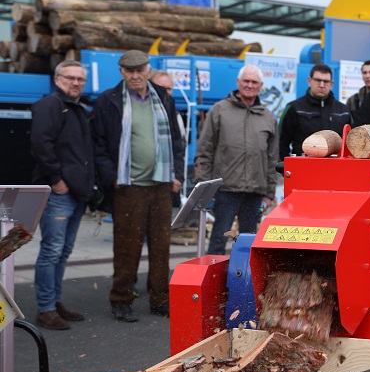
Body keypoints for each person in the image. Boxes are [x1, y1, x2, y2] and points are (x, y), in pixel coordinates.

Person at [92, 50, 185, 322]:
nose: (135, 75)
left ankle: (159, 299)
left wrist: (176, 174)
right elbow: (98, 145)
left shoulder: (163, 97)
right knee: (126, 247)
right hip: (128, 186)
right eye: (129, 71)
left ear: (147, 69)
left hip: (161, 184)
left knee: (161, 246)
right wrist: (113, 177)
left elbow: (176, 141)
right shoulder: (108, 100)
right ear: (121, 72)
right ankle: (120, 298)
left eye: (139, 69)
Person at [30, 61, 94, 330]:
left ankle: (55, 303)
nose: (76, 83)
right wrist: (56, 180)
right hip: (60, 192)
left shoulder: (79, 109)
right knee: (52, 250)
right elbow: (40, 143)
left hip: (76, 193)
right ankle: (45, 309)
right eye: (70, 78)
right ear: (57, 80)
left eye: (80, 79)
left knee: (63, 251)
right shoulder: (49, 105)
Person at [195, 65, 279, 255]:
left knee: (248, 243)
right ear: (238, 83)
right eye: (246, 81)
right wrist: (205, 187)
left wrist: (269, 192)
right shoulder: (219, 110)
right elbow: (205, 150)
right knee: (219, 238)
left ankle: (244, 281)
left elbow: (272, 158)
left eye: (254, 82)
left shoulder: (268, 117)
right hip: (226, 189)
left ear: (261, 86)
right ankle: (214, 282)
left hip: (255, 192)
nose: (249, 85)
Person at [279, 63, 350, 159]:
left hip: (335, 169)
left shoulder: (344, 111)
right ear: (309, 81)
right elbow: (281, 142)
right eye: (318, 80)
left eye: (326, 81)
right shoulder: (294, 108)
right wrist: (283, 169)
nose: (321, 85)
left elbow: (350, 144)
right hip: (303, 168)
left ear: (331, 84)